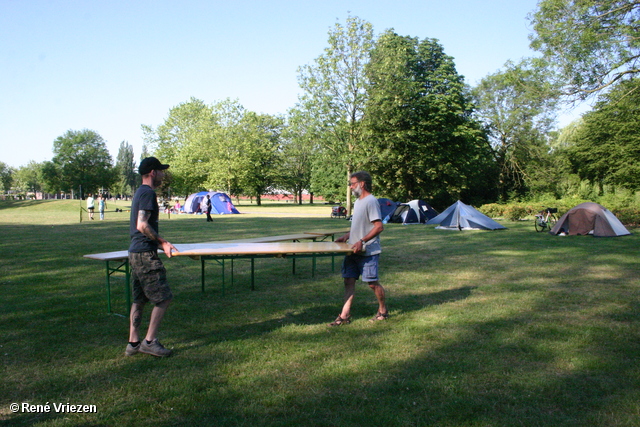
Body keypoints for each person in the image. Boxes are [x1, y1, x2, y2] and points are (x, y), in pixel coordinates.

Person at [125, 157, 178, 357]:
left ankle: (133, 343)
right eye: (162, 171)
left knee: (139, 299)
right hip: (145, 253)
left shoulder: (140, 192)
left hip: (135, 252)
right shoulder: (148, 193)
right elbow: (142, 225)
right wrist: (163, 242)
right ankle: (149, 341)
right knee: (163, 297)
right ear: (153, 172)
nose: (163, 175)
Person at [331, 171, 388, 326]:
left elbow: (378, 227)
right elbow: (361, 226)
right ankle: (344, 316)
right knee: (348, 280)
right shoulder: (358, 202)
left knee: (372, 283)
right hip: (352, 250)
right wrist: (347, 236)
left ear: (362, 184)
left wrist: (362, 241)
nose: (350, 187)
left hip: (368, 251)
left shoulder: (371, 201)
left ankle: (383, 311)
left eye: (352, 183)